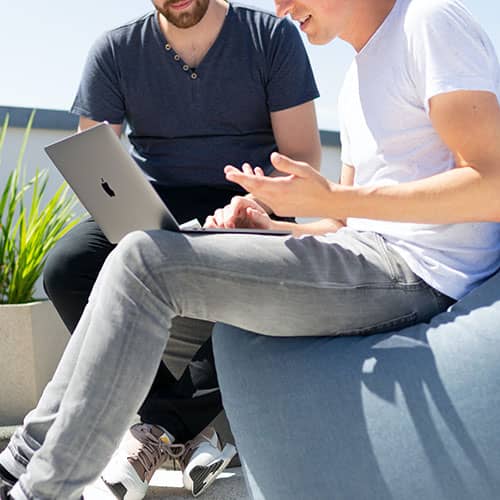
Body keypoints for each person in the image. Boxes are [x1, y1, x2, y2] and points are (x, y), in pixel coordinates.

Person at [1, 0, 500, 498]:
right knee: (133, 258)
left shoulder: (427, 21)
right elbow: (343, 225)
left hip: (419, 274)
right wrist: (271, 228)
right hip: (367, 256)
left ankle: (39, 489)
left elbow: (492, 186)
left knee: (144, 263)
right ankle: (24, 459)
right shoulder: (359, 73)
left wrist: (331, 198)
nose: (281, 8)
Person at [30, 0, 321, 497]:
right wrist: (131, 211)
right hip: (155, 202)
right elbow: (93, 162)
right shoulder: (115, 50)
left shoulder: (271, 37)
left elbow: (301, 156)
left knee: (254, 270)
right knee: (66, 268)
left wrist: (252, 204)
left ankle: (160, 429)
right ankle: (181, 427)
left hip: (251, 200)